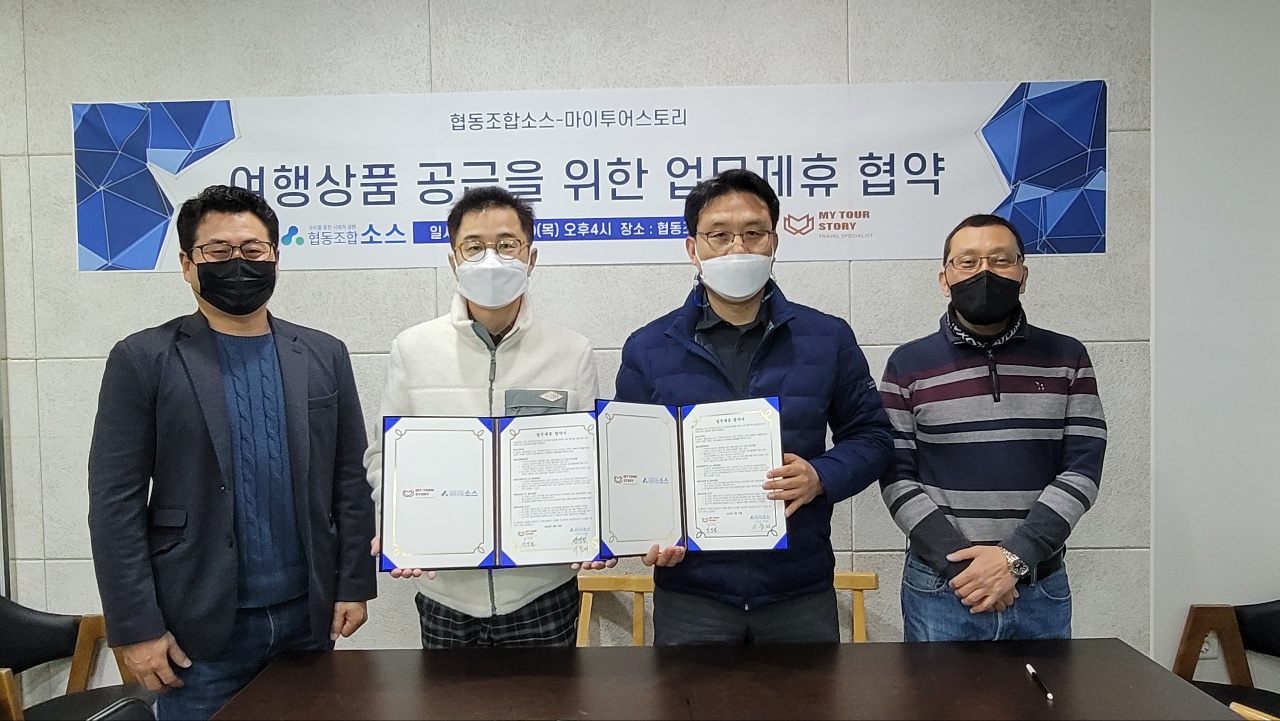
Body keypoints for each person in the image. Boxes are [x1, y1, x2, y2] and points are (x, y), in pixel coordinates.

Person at [87, 185, 376, 720]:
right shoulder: (142, 358)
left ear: (275, 257)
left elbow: (350, 479)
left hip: (307, 619)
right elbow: (114, 504)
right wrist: (137, 627)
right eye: (218, 251)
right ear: (187, 264)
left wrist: (353, 584)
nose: (237, 263)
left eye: (252, 250)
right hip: (196, 630)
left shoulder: (323, 353)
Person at [614, 169, 894, 644]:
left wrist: (820, 476)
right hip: (693, 595)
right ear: (693, 248)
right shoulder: (648, 347)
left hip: (798, 591)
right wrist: (645, 533)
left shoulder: (827, 337)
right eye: (719, 235)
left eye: (753, 233)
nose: (737, 248)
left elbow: (873, 438)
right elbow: (629, 462)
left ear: (774, 242)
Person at [365, 186, 610, 649]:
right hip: (446, 589)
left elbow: (588, 461)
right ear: (453, 259)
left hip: (541, 588)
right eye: (474, 246)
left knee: (548, 694)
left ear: (531, 257)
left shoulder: (570, 351)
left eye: (507, 244)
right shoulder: (413, 349)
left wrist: (594, 531)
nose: (491, 258)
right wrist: (394, 525)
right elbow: (384, 456)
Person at [878, 213, 1107, 642]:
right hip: (942, 587)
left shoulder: (1067, 357)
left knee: (1045, 689)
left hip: (1039, 585)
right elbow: (895, 476)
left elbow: (1082, 469)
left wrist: (1014, 559)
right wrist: (967, 569)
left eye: (1000, 260)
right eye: (968, 262)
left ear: (1023, 275)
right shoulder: (908, 365)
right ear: (944, 279)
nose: (984, 272)